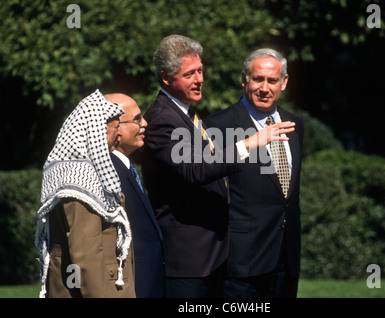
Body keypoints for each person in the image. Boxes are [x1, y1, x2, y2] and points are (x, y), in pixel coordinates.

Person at [141, 35, 295, 298]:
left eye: (200, 70)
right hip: (187, 261)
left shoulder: (185, 113)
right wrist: (251, 143)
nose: (200, 79)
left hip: (210, 257)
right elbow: (195, 169)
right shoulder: (162, 119)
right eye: (189, 74)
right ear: (166, 78)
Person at [204, 48, 304, 298]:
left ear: (284, 82)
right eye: (258, 79)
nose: (265, 88)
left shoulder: (294, 125)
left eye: (272, 80)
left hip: (286, 258)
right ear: (244, 79)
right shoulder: (218, 125)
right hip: (242, 262)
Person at [35, 89, 135, 298]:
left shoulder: (75, 171)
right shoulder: (79, 179)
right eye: (115, 127)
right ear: (95, 130)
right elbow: (86, 257)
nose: (119, 133)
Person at [106, 93, 166, 298]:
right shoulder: (108, 173)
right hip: (134, 283)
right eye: (137, 119)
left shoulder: (126, 165)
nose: (145, 123)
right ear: (117, 127)